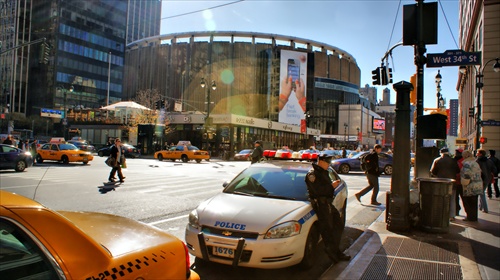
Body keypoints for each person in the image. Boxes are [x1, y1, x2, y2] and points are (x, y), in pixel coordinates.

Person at [304, 152, 350, 263]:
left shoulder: (324, 172)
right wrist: (332, 186)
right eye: (327, 162)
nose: (329, 164)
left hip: (328, 203)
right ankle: (332, 252)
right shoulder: (312, 174)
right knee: (328, 230)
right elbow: (318, 191)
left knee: (338, 225)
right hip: (321, 205)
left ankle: (335, 250)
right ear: (321, 161)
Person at [429, 148, 461, 220]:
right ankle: (451, 216)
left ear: (441, 153)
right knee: (452, 199)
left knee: (441, 199)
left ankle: (441, 214)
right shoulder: (453, 160)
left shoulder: (437, 160)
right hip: (452, 183)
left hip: (441, 183)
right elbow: (458, 171)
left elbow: (433, 172)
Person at [460, 150, 483, 221]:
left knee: (468, 202)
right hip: (478, 185)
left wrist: (463, 182)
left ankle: (469, 217)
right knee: (474, 202)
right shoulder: (475, 163)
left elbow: (466, 175)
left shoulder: (467, 163)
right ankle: (474, 217)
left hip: (470, 185)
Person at [476, 149, 497, 213]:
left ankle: (485, 209)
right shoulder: (489, 161)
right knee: (482, 192)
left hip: (481, 179)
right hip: (488, 179)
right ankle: (480, 206)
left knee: (481, 193)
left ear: (481, 154)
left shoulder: (477, 161)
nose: (476, 154)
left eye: (478, 153)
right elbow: (495, 170)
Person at [454, 148, 465, 216]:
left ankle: (466, 211)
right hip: (455, 182)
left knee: (463, 198)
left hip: (462, 182)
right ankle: (456, 210)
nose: (456, 154)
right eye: (456, 152)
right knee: (455, 198)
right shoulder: (453, 160)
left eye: (458, 152)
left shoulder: (463, 161)